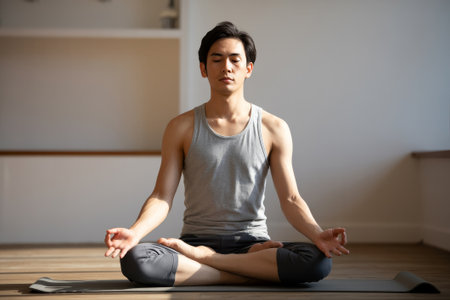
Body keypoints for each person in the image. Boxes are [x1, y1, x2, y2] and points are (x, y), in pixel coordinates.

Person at [104, 21, 349, 287]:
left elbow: (290, 198)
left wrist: (317, 234)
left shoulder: (273, 128)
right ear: (203, 69)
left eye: (235, 60)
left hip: (253, 244)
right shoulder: (180, 127)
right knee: (137, 258)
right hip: (195, 242)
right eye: (217, 59)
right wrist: (135, 232)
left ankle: (206, 263)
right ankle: (246, 272)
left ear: (248, 69)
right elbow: (162, 195)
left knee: (316, 260)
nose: (226, 67)